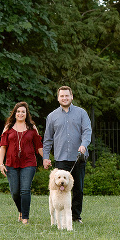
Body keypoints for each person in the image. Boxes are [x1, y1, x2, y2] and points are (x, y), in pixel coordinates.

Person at [43, 86, 92, 224]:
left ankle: (76, 217)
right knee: (59, 190)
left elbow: (87, 131)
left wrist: (84, 144)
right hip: (61, 158)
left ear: (72, 97)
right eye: (62, 96)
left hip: (78, 157)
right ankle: (61, 217)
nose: (64, 98)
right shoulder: (52, 116)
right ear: (58, 98)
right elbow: (48, 139)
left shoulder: (81, 113)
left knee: (78, 189)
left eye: (67, 96)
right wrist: (45, 157)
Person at [0, 102, 43, 224]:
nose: (20, 114)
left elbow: (39, 146)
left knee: (25, 190)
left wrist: (45, 158)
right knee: (15, 192)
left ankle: (25, 218)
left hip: (29, 163)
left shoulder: (32, 128)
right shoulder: (8, 127)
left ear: (26, 113)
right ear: (15, 113)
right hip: (11, 164)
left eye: (23, 112)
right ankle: (21, 211)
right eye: (18, 111)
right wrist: (1, 164)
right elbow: (3, 146)